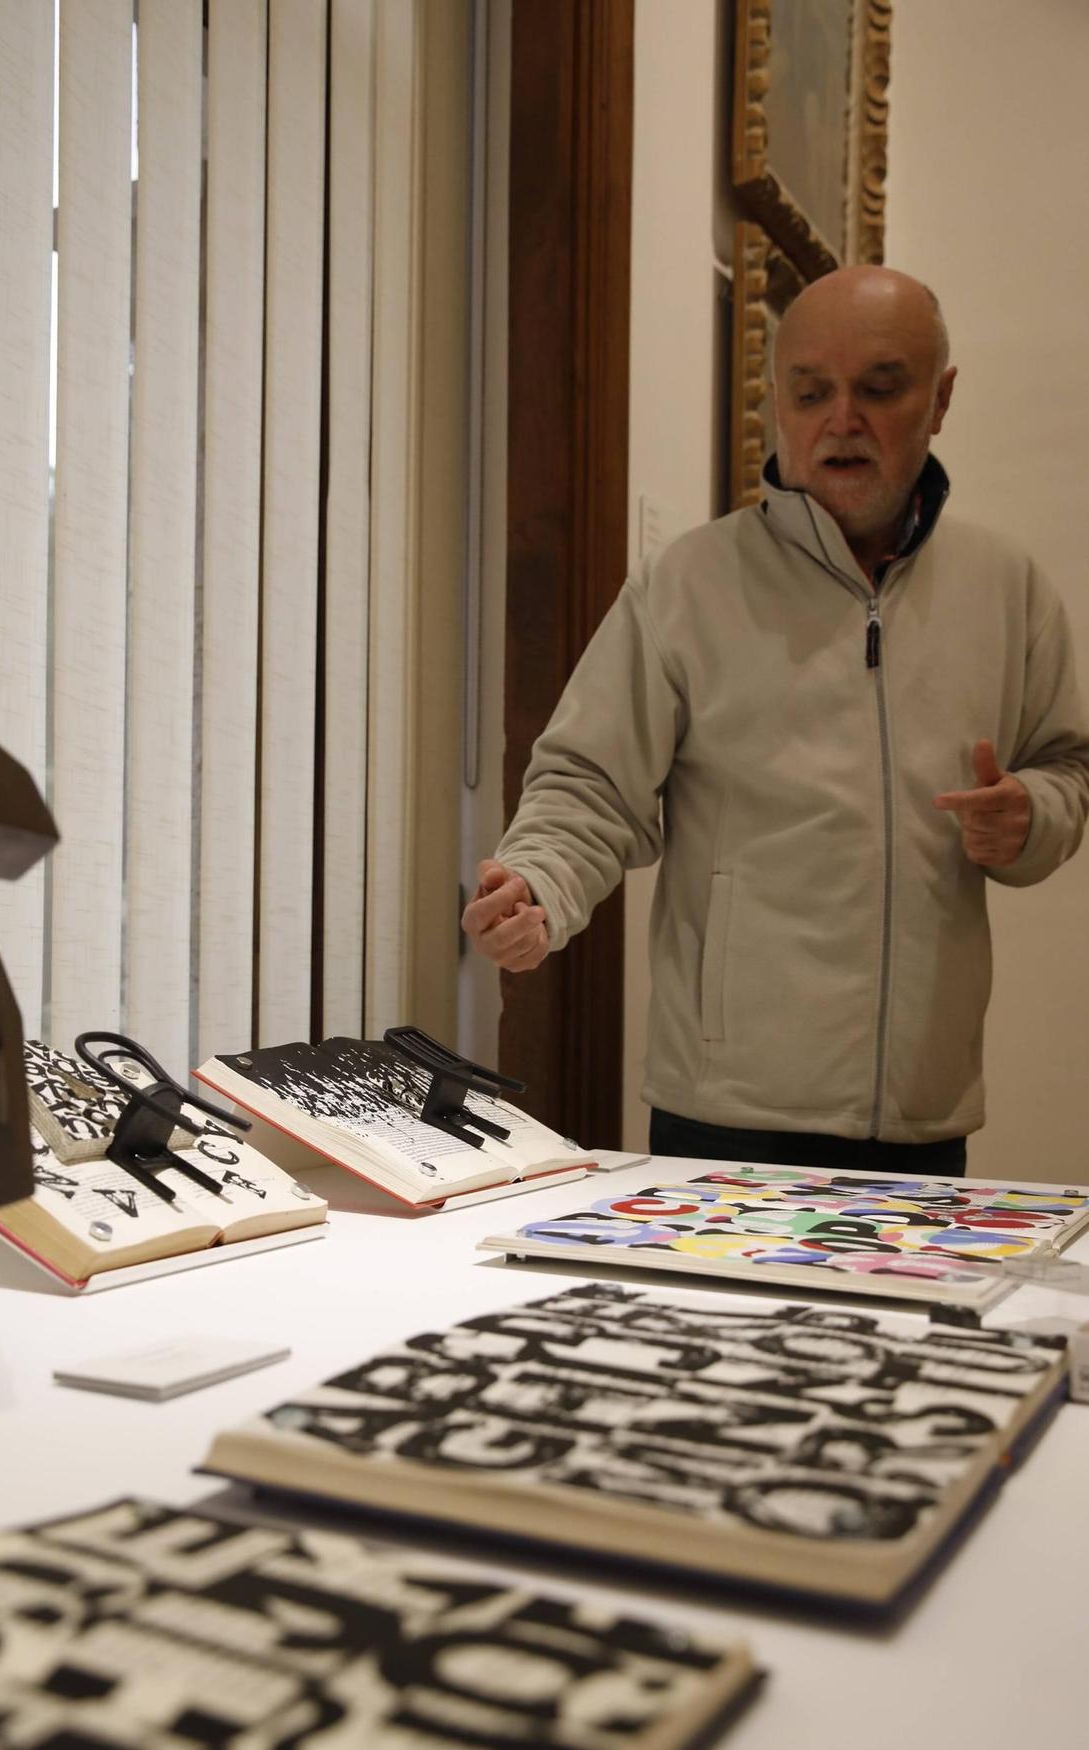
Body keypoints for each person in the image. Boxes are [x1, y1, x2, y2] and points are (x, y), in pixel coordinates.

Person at [462, 266, 1089, 1174]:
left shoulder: (1008, 588)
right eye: (810, 392)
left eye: (879, 389)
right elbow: (589, 787)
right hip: (726, 1115)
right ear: (776, 401)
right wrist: (535, 889)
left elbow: (1065, 769)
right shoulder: (688, 585)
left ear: (939, 398)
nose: (842, 419)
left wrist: (1029, 815)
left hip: (923, 1114)